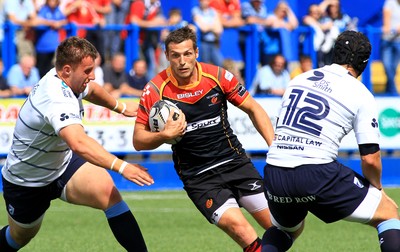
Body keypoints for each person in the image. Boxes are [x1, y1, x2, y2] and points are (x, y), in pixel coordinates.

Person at [0, 36, 154, 252]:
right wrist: (123, 166)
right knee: (18, 238)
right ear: (66, 70)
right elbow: (79, 143)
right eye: (88, 71)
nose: (92, 76)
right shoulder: (55, 96)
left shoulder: (69, 79)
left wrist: (121, 107)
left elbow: (94, 91)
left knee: (108, 192)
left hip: (62, 164)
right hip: (27, 181)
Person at [133, 26, 275, 252]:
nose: (182, 61)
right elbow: (138, 140)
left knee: (281, 227)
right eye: (176, 55)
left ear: (196, 53)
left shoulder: (218, 76)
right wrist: (164, 135)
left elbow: (254, 109)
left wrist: (274, 148)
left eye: (187, 54)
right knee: (241, 229)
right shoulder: (155, 89)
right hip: (199, 177)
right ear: (167, 56)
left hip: (235, 163)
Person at [261, 30, 400, 252]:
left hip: (275, 171)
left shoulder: (298, 80)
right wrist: (378, 189)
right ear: (363, 63)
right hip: (315, 172)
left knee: (286, 230)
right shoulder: (360, 93)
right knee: (388, 213)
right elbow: (370, 159)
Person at [33, 0, 68, 78]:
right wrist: (51, 23)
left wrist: (59, 23)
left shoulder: (57, 11)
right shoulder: (43, 10)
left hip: (54, 47)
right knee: (41, 71)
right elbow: (36, 21)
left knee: (53, 71)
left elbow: (65, 20)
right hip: (42, 47)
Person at [192, 0, 224, 67]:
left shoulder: (213, 11)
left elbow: (219, 30)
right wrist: (213, 26)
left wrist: (208, 26)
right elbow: (203, 28)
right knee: (204, 66)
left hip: (214, 43)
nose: (204, 1)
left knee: (220, 64)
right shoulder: (195, 10)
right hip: (203, 43)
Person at [381, 0, 400, 95]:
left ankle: (389, 90)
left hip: (398, 41)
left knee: (393, 67)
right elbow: (386, 21)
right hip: (387, 40)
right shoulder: (390, 2)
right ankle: (393, 92)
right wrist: (389, 29)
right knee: (387, 65)